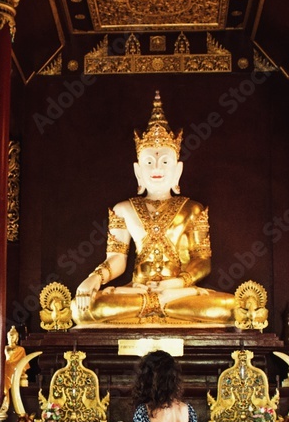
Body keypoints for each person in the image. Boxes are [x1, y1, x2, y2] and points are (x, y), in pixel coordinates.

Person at [72, 91, 236, 326]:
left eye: (165, 162)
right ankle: (158, 306)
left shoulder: (193, 209)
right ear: (138, 171)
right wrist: (94, 279)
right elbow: (117, 259)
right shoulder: (123, 209)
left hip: (179, 291)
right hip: (137, 290)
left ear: (178, 170)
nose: (156, 167)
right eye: (149, 162)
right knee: (83, 309)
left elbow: (202, 260)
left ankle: (158, 305)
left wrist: (176, 283)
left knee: (232, 308)